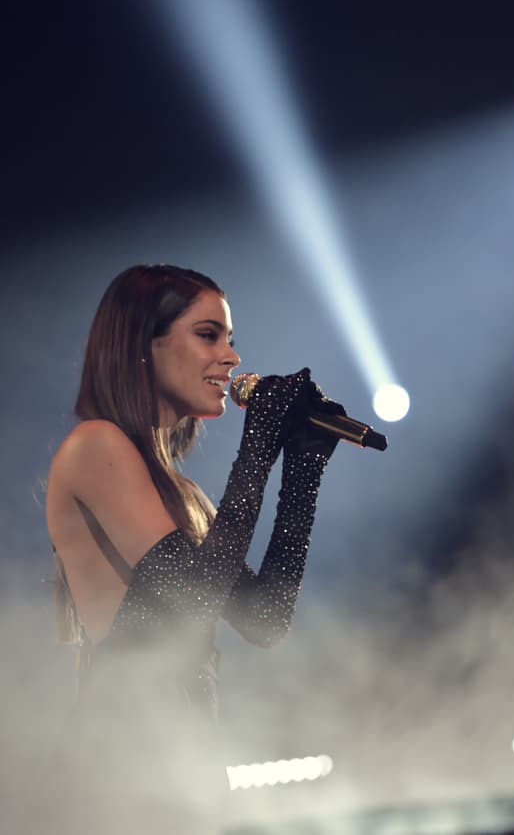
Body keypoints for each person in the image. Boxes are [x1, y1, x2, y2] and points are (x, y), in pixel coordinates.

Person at [41, 265, 340, 834]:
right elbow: (191, 603)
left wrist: (302, 467)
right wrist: (259, 442)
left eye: (231, 340)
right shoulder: (95, 445)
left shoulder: (183, 493)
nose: (230, 358)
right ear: (143, 346)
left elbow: (264, 619)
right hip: (118, 773)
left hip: (184, 765)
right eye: (208, 335)